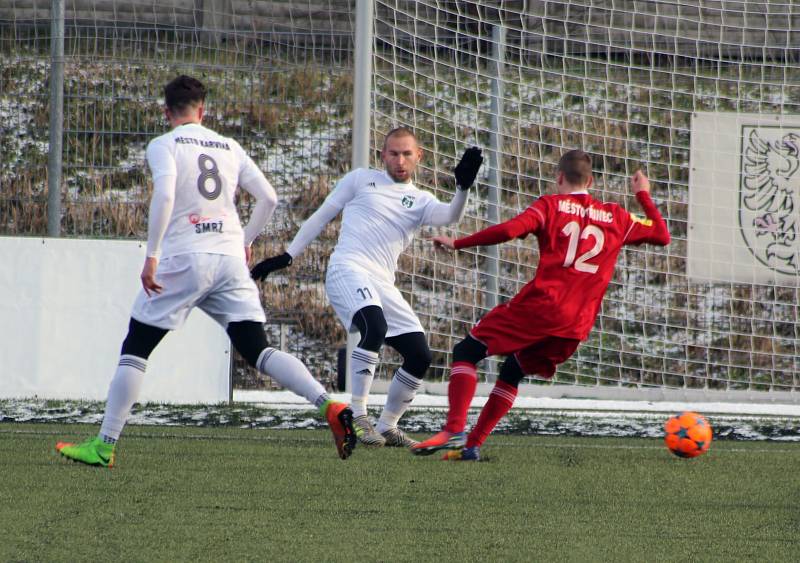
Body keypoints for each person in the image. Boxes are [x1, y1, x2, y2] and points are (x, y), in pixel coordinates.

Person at [56, 75, 356, 466]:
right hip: (229, 260)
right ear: (203, 111)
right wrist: (245, 240)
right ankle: (328, 405)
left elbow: (165, 194)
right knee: (258, 348)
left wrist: (152, 255)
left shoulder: (164, 145)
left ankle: (105, 445)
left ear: (167, 112)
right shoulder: (229, 146)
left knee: (136, 347)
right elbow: (269, 197)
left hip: (184, 258)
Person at [411, 150, 670, 460]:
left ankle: (454, 429)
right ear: (591, 181)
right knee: (512, 370)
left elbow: (509, 230)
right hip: (575, 326)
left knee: (466, 351)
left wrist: (459, 243)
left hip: (542, 308)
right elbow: (662, 235)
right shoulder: (617, 217)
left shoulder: (550, 206)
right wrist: (643, 194)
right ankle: (471, 446)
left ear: (559, 177)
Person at [251, 128, 483, 448]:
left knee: (419, 354)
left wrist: (463, 188)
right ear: (382, 155)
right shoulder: (360, 180)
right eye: (393, 153)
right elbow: (321, 216)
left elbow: (450, 217)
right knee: (374, 326)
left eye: (406, 154)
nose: (399, 160)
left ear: (419, 157)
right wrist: (288, 256)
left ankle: (387, 425)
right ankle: (358, 415)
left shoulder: (421, 200)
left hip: (381, 282)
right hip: (348, 268)